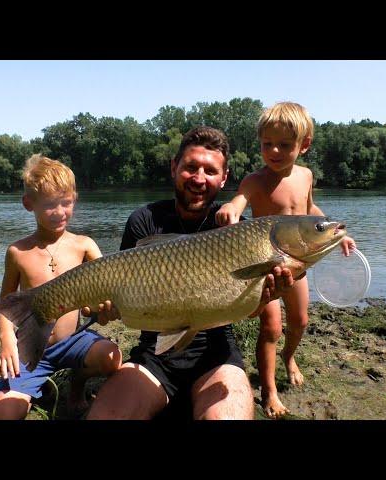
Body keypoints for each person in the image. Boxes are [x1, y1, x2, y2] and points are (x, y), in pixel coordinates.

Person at [85, 126, 301, 420]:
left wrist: (264, 298)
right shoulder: (143, 220)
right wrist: (109, 308)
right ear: (174, 168)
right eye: (190, 167)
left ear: (223, 178)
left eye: (210, 171)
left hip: (216, 357)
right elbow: (127, 304)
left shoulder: (238, 228)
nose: (199, 179)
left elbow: (249, 311)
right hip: (154, 356)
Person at [215, 102, 356, 418]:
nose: (274, 151)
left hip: (299, 263)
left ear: (303, 146)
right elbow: (239, 201)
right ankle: (269, 391)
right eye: (267, 144)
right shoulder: (256, 180)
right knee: (271, 327)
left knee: (300, 321)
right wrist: (232, 210)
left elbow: (311, 212)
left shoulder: (306, 176)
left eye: (284, 145)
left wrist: (337, 233)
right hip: (266, 267)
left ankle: (290, 358)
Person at [0, 154, 122, 420]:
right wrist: (6, 341)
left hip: (74, 340)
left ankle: (76, 386)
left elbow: (110, 288)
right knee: (3, 416)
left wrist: (99, 308)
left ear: (75, 199)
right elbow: (7, 304)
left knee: (112, 357)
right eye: (50, 205)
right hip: (30, 347)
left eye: (66, 203)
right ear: (29, 204)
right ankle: (35, 385)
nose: (60, 212)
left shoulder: (84, 245)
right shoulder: (17, 251)